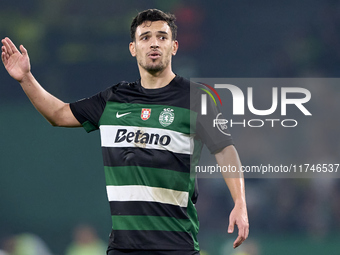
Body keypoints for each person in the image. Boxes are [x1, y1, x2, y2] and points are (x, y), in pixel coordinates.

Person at [2, 9, 249, 255]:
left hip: (176, 246)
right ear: (133, 48)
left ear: (174, 47)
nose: (154, 43)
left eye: (162, 37)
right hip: (123, 248)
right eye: (145, 37)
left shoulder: (197, 98)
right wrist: (26, 78)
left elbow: (225, 149)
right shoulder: (114, 99)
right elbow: (58, 114)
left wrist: (239, 202)